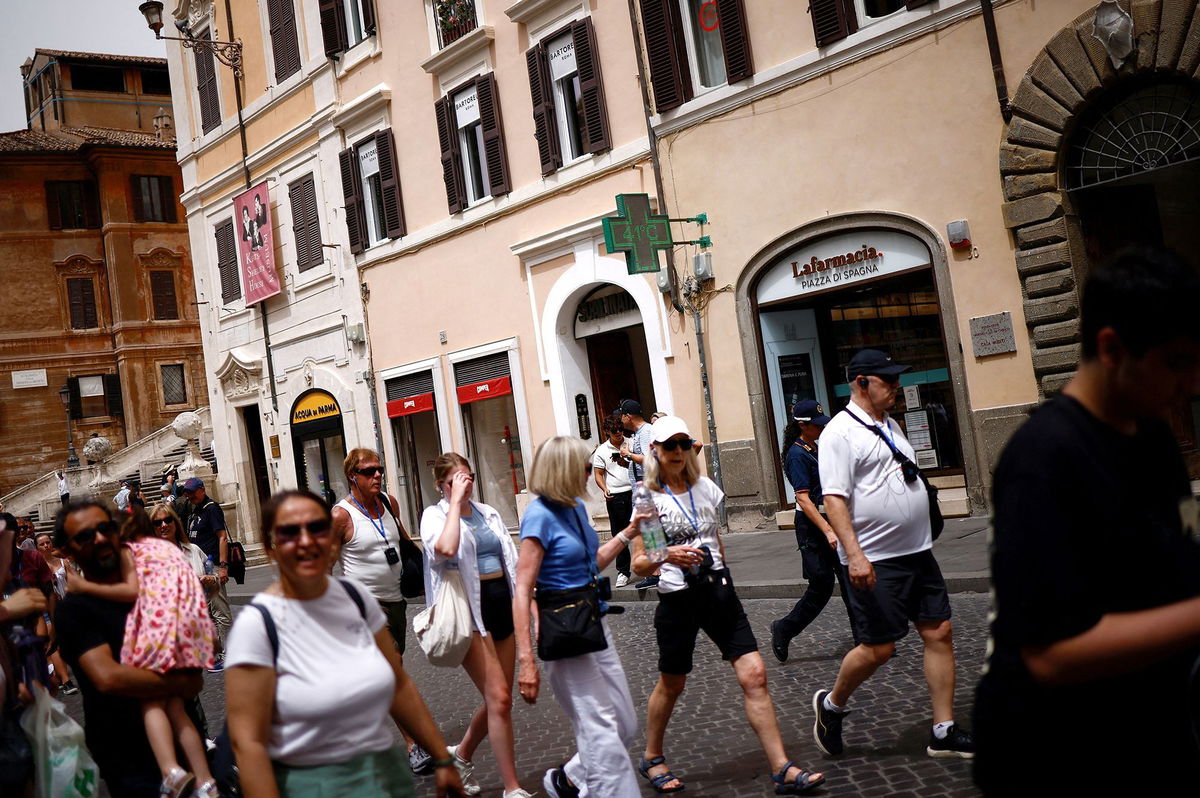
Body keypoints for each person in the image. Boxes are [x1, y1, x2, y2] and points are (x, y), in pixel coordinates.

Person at [974, 247, 1200, 793]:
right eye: (1176, 362)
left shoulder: (1154, 436)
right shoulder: (1043, 459)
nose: (1193, 382)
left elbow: (1181, 551)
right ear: (1111, 348)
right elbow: (1053, 655)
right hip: (1060, 755)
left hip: (1151, 736)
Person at [629, 416, 825, 795]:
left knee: (754, 674)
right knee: (673, 683)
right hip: (677, 598)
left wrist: (720, 570)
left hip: (719, 592)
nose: (677, 452)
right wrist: (668, 554)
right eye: (669, 445)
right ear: (654, 450)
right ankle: (652, 756)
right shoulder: (646, 497)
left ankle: (781, 766)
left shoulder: (705, 489)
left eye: (684, 444)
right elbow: (641, 561)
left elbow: (714, 540)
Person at [225, 490, 463, 798]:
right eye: (289, 532)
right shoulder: (256, 625)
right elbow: (248, 742)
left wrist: (442, 758)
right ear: (271, 548)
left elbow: (398, 684)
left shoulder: (354, 597)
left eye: (316, 528)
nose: (306, 540)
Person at [810, 349, 973, 760]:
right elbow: (834, 498)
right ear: (862, 382)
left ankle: (943, 730)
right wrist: (855, 555)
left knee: (939, 633)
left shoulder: (892, 424)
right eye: (888, 380)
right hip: (875, 558)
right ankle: (831, 706)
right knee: (879, 649)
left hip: (917, 552)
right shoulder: (839, 433)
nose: (897, 386)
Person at [514, 436, 649, 797]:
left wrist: (629, 532)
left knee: (624, 722)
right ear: (563, 471)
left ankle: (569, 780)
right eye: (586, 468)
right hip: (566, 631)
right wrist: (526, 660)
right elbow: (522, 588)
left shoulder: (574, 506)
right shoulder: (538, 517)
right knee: (602, 730)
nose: (592, 473)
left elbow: (593, 564)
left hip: (594, 621)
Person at [53, 500, 205, 797]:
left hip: (185, 737)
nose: (98, 538)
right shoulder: (74, 609)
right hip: (128, 759)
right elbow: (109, 678)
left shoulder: (151, 588)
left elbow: (193, 669)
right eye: (84, 536)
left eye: (104, 528)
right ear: (69, 552)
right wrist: (178, 683)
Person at [420, 453, 532, 798]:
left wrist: (525, 609)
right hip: (469, 616)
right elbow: (445, 548)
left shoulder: (489, 513)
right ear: (441, 485)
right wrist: (453, 503)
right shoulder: (434, 516)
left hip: (501, 607)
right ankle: (512, 787)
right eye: (455, 480)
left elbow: (510, 562)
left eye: (468, 477)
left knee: (501, 700)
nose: (465, 485)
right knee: (498, 697)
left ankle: (461, 754)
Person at [331, 448, 429, 774]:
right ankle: (414, 744)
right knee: (393, 668)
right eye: (369, 471)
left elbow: (402, 542)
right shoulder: (341, 516)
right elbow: (327, 564)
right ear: (352, 477)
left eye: (379, 469)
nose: (377, 475)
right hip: (365, 605)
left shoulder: (389, 503)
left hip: (396, 600)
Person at [770, 399, 855, 662]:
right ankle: (784, 628)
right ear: (802, 426)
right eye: (816, 425)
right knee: (821, 585)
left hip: (829, 520)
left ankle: (868, 638)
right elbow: (804, 499)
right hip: (812, 526)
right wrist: (828, 530)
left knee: (850, 581)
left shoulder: (814, 448)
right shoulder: (797, 454)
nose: (821, 428)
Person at [180, 478, 231, 670]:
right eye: (186, 493)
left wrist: (223, 566)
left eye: (192, 492)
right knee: (208, 613)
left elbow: (222, 537)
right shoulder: (195, 510)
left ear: (202, 490)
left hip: (213, 567)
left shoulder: (211, 508)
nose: (189, 496)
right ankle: (216, 654)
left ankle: (228, 652)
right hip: (200, 569)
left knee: (222, 613)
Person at [618, 400, 659, 590]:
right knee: (649, 531)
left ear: (628, 416)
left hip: (647, 488)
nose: (620, 419)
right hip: (643, 489)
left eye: (622, 415)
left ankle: (656, 573)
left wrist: (628, 454)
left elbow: (649, 460)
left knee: (649, 531)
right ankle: (656, 571)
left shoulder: (645, 432)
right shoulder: (640, 433)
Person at [592, 415, 633, 587]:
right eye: (614, 430)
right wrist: (604, 488)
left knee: (645, 531)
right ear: (607, 431)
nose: (618, 433)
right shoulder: (602, 450)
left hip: (635, 490)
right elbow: (598, 474)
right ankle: (623, 571)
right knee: (619, 535)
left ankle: (652, 569)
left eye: (620, 429)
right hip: (616, 495)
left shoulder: (632, 443)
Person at [35, 531, 78, 694]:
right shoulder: (37, 566)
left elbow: (73, 581)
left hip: (67, 605)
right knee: (55, 642)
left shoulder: (62, 561)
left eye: (48, 542)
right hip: (47, 608)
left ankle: (61, 674)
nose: (46, 546)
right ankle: (66, 680)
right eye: (42, 544)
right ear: (37, 547)